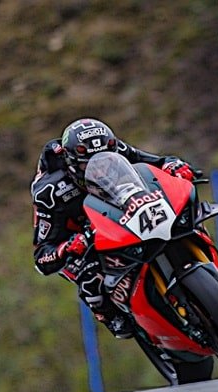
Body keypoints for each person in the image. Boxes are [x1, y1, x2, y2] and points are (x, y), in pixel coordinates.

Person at [31, 118, 201, 338]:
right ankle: (110, 317)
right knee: (89, 276)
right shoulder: (50, 192)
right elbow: (41, 256)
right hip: (78, 236)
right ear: (71, 162)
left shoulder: (115, 148)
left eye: (107, 162)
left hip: (119, 209)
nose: (101, 170)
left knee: (182, 213)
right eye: (88, 165)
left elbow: (154, 162)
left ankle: (210, 263)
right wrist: (67, 247)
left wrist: (173, 165)